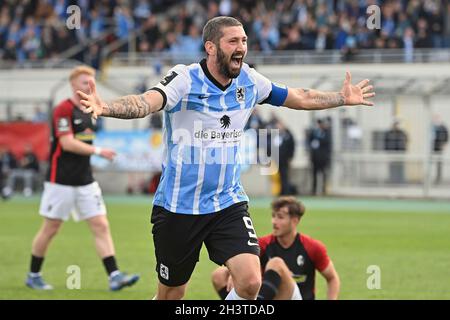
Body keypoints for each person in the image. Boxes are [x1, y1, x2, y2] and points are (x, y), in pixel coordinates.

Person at [77, 16, 374, 300]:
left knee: (251, 281)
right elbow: (146, 102)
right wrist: (106, 107)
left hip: (226, 201)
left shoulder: (249, 81)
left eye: (244, 40)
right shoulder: (185, 78)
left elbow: (298, 96)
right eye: (233, 41)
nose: (241, 47)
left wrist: (341, 98)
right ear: (211, 47)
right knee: (172, 294)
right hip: (179, 207)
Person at [25, 66, 139, 291]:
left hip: (85, 180)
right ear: (74, 85)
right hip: (61, 179)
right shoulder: (62, 109)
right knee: (51, 228)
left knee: (101, 225)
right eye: (85, 82)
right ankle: (33, 274)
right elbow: (67, 143)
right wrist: (98, 152)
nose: (90, 86)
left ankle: (114, 275)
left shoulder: (90, 110)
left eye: (92, 82)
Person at [211, 196, 340, 300]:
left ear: (295, 220)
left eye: (280, 217)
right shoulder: (263, 244)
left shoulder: (312, 247)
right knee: (219, 275)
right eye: (273, 216)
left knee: (276, 263)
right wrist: (232, 274)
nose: (274, 221)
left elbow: (332, 278)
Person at [307, 119, 332, 195]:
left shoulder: (326, 132)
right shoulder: (314, 132)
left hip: (323, 157)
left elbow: (327, 143)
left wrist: (319, 141)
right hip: (315, 157)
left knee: (324, 173)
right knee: (314, 174)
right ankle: (314, 190)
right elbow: (309, 140)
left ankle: (324, 190)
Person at [432, 116, 448, 184]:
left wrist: (444, 144)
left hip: (440, 147)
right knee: (432, 162)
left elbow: (446, 136)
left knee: (439, 163)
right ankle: (431, 178)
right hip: (433, 147)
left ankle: (438, 178)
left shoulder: (443, 127)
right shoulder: (432, 127)